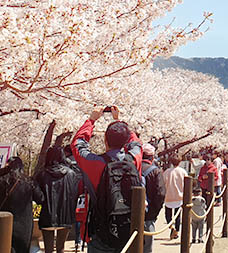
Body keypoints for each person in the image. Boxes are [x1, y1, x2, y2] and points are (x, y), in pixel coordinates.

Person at [71, 107, 143, 253]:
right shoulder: (134, 159)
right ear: (125, 141)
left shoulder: (95, 163)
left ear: (105, 139)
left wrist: (91, 120)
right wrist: (119, 121)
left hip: (101, 231)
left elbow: (77, 144)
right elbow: (136, 143)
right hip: (130, 230)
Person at [0, 157, 43, 253]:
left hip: (4, 222)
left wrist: (3, 170)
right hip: (24, 224)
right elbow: (40, 198)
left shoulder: (1, 181)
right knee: (22, 249)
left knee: (4, 248)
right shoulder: (29, 182)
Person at [34, 146, 81, 253]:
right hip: (65, 216)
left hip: (47, 216)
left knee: (48, 250)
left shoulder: (42, 174)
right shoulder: (71, 174)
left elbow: (38, 197)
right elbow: (75, 194)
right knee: (61, 248)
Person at [140, 144, 164, 253]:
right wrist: (153, 213)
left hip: (130, 215)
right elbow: (160, 194)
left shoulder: (132, 168)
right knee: (147, 248)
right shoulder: (156, 171)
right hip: (148, 214)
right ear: (152, 157)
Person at [162, 153, 185, 240]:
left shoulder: (166, 172)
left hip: (168, 197)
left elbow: (162, 184)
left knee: (168, 215)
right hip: (179, 197)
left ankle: (172, 228)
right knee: (178, 216)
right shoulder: (183, 172)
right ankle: (177, 231)